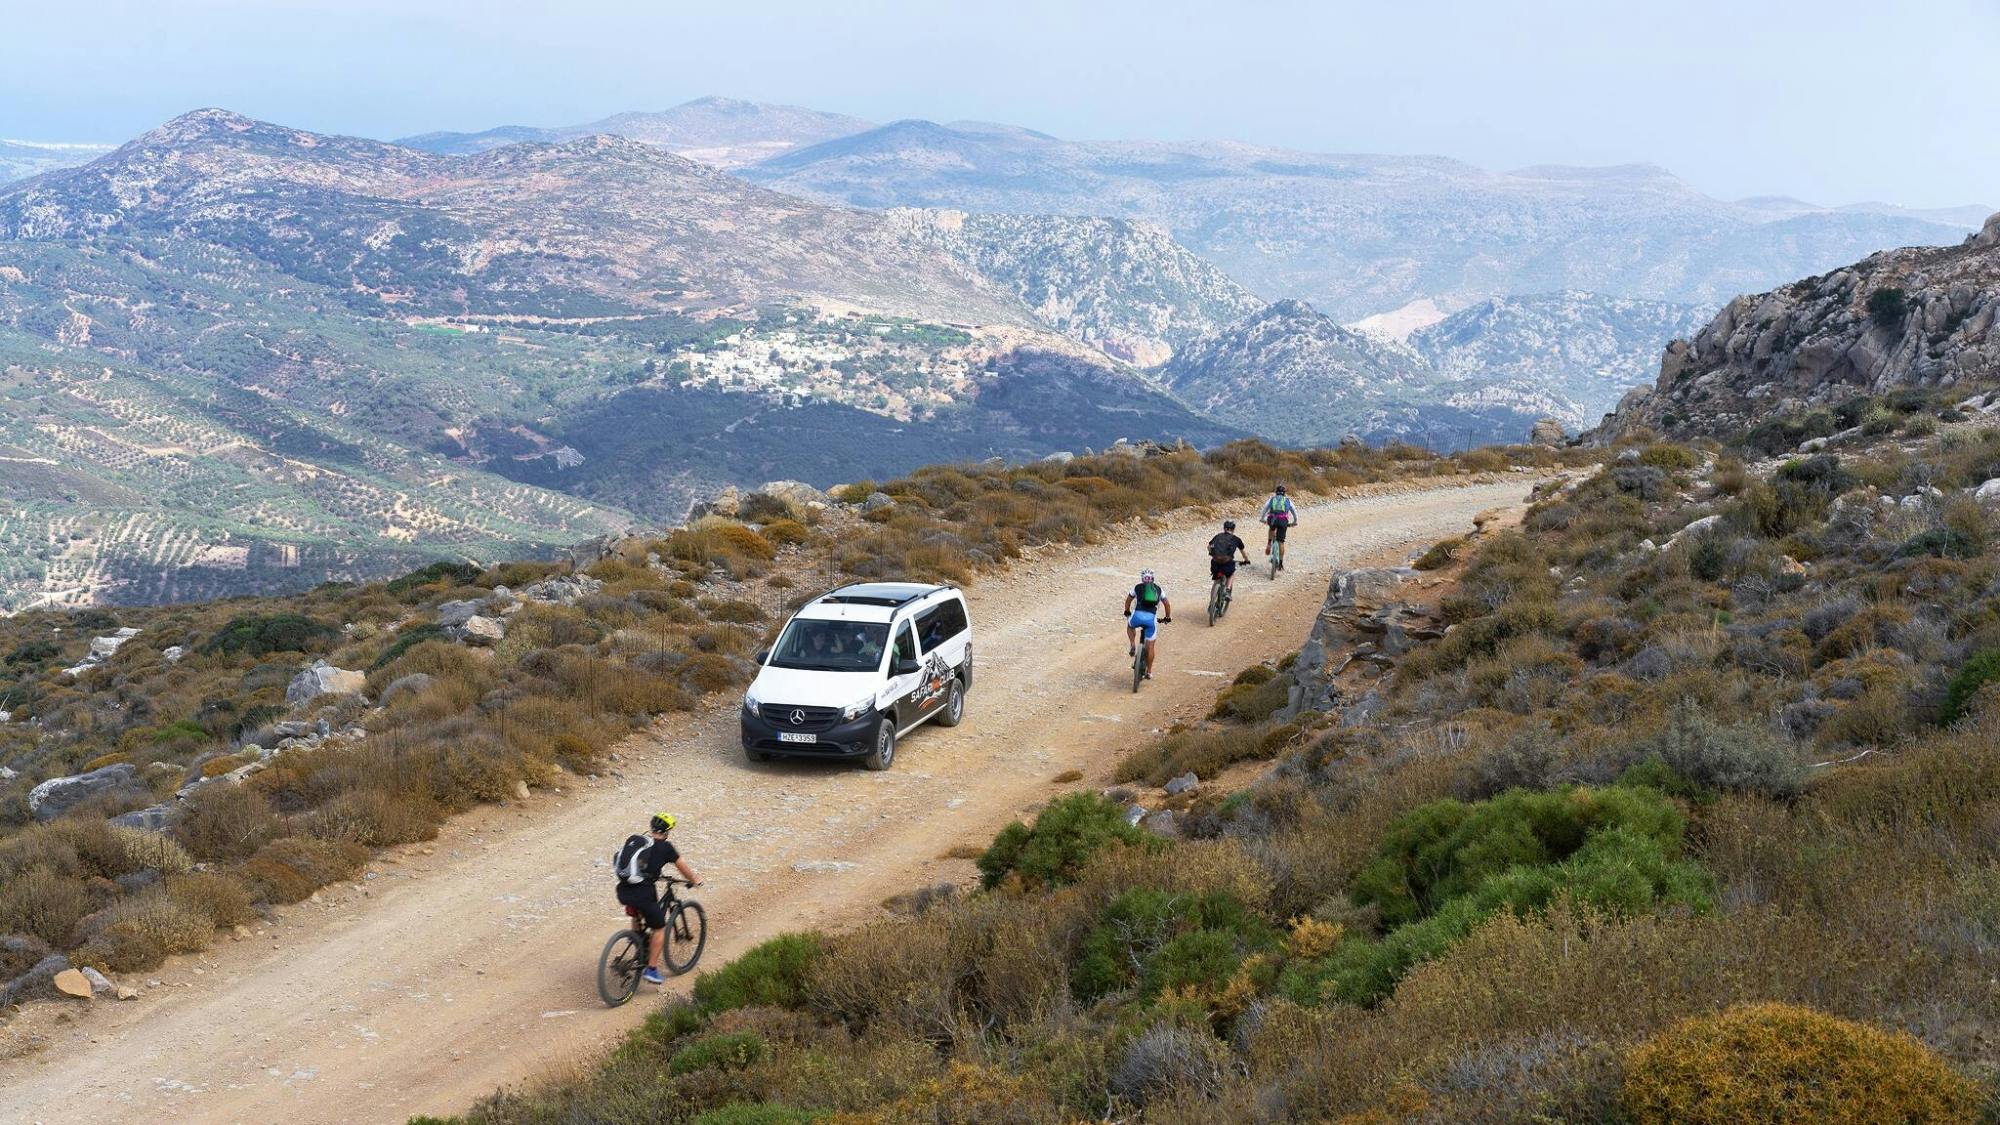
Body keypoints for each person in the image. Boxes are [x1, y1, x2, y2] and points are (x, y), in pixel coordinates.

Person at [612, 813, 704, 985]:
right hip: (643, 893)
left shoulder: (639, 841)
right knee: (659, 927)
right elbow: (683, 867)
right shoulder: (666, 847)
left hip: (624, 890)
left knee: (637, 912)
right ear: (667, 831)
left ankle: (637, 939)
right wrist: (695, 880)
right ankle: (652, 970)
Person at [1123, 569, 1171, 677]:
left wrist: (1127, 611)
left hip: (1137, 616)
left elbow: (1128, 600)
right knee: (1150, 647)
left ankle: (1132, 644)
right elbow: (1167, 604)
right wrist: (1167, 617)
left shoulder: (1137, 587)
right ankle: (1149, 672)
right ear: (1153, 578)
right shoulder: (1159, 589)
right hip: (1150, 620)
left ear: (1142, 578)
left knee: (1130, 625)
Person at [1207, 519, 1251, 597]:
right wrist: (1246, 560)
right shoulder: (1237, 539)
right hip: (1227, 563)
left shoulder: (1218, 536)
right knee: (1231, 574)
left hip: (1215, 562)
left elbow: (1209, 546)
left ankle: (1211, 604)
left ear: (1224, 528)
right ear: (1233, 529)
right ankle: (1227, 590)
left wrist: (1212, 554)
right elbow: (1244, 553)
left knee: (1216, 581)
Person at [1259, 484, 1299, 568]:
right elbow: (1294, 512)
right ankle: (1280, 563)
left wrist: (1262, 519)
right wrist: (1295, 522)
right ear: (1284, 493)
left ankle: (1269, 543)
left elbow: (1265, 509)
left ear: (1276, 492)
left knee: (1272, 528)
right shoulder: (1288, 500)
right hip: (1283, 521)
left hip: (1272, 519)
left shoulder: (1271, 499)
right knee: (1281, 542)